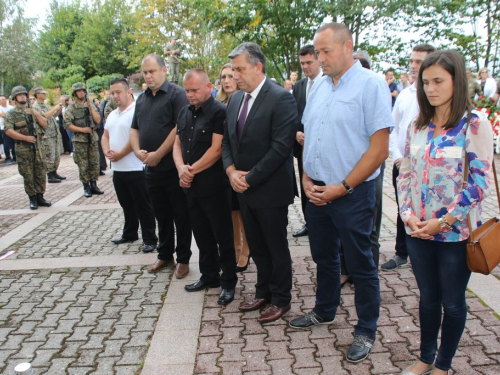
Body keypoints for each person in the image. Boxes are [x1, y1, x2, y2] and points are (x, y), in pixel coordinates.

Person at [289, 23, 393, 363]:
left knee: (361, 263)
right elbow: (310, 135)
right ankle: (325, 310)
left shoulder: (371, 84)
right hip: (317, 191)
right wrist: (305, 177)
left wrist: (343, 187)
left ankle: (366, 329)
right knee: (324, 257)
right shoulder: (318, 87)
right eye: (317, 52)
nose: (320, 58)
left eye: (326, 51)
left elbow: (378, 151)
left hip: (352, 194)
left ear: (348, 46)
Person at [397, 50, 493, 375]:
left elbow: (479, 185)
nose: (430, 88)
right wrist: (407, 214)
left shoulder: (474, 124)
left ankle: (443, 364)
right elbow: (404, 174)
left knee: (452, 303)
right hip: (418, 231)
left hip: (454, 234)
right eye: (425, 82)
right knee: (427, 300)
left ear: (457, 80)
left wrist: (444, 221)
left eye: (438, 80)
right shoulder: (417, 126)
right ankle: (425, 358)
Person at [222, 42, 298, 323]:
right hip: (243, 189)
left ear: (258, 66)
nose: (235, 76)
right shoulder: (235, 100)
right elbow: (228, 142)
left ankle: (281, 299)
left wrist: (248, 179)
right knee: (256, 245)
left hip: (270, 190)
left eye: (240, 69)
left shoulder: (280, 98)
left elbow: (280, 149)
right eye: (232, 70)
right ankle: (263, 291)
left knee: (276, 247)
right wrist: (231, 172)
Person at [173, 69, 237, 305]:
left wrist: (190, 170)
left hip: (215, 186)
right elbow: (177, 143)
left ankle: (228, 282)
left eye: (194, 90)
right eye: (187, 90)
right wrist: (181, 168)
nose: (189, 95)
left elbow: (217, 149)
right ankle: (209, 275)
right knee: (201, 234)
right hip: (191, 186)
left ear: (208, 86)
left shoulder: (219, 112)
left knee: (223, 236)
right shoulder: (184, 112)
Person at [130, 53, 192, 278]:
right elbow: (134, 128)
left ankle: (184, 258)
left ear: (164, 70)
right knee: (161, 214)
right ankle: (165, 254)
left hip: (173, 168)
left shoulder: (177, 95)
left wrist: (158, 154)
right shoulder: (142, 99)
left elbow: (179, 127)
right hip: (151, 169)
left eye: (152, 71)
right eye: (145, 72)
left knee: (181, 215)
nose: (147, 76)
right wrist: (137, 151)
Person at [383, 43, 436, 271]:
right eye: (412, 61)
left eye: (419, 61)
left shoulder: (436, 95)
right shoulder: (405, 94)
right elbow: (392, 128)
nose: (414, 66)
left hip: (431, 168)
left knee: (429, 209)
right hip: (403, 164)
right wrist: (397, 157)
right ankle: (401, 252)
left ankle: (428, 252)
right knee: (403, 208)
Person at [101, 78, 158, 254]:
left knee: (143, 206)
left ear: (128, 91)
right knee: (126, 204)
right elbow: (105, 136)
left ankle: (150, 238)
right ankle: (130, 233)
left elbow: (136, 138)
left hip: (135, 168)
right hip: (118, 169)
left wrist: (120, 154)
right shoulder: (111, 114)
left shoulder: (136, 111)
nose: (115, 96)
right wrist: (106, 152)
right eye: (112, 93)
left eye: (118, 92)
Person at [216, 63, 250, 272]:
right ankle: (236, 247)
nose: (227, 80)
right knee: (231, 210)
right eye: (223, 77)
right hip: (223, 166)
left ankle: (246, 249)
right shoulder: (219, 103)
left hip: (242, 165)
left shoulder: (245, 101)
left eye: (230, 76)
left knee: (244, 209)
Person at [292, 44, 322, 238]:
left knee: (320, 184)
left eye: (309, 62)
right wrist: (295, 132)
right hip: (303, 147)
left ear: (318, 60)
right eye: (302, 63)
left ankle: (321, 223)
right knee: (305, 184)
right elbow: (293, 114)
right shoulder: (299, 86)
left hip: (322, 147)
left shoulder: (327, 83)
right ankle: (309, 222)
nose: (305, 67)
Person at [4, 86, 50, 209]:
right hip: (23, 149)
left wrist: (35, 113)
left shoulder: (33, 110)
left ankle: (40, 197)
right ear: (14, 98)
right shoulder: (12, 114)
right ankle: (32, 198)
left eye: (24, 94)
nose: (22, 96)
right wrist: (25, 138)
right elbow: (8, 130)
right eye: (19, 95)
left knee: (40, 172)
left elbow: (45, 124)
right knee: (28, 174)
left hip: (38, 147)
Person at [64, 82, 104, 197]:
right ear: (75, 93)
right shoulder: (72, 108)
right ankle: (86, 187)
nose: (82, 93)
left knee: (94, 162)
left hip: (92, 139)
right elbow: (67, 124)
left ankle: (94, 185)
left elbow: (97, 120)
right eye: (79, 91)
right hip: (79, 140)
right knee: (83, 164)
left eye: (83, 91)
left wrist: (90, 108)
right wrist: (82, 130)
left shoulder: (90, 105)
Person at [32, 86, 65, 183]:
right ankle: (50, 175)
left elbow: (53, 116)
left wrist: (58, 109)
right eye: (43, 93)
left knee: (56, 154)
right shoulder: (36, 107)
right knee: (49, 155)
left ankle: (54, 172)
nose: (45, 94)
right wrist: (54, 107)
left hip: (53, 134)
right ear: (38, 95)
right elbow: (45, 116)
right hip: (46, 136)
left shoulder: (45, 105)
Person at [0, 95, 16, 165]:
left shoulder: (11, 107)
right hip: (4, 128)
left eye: (4, 99)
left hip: (13, 127)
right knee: (6, 144)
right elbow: (2, 115)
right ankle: (8, 158)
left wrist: (7, 115)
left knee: (13, 143)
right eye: (2, 99)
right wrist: (9, 115)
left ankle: (15, 157)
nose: (4, 100)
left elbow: (14, 115)